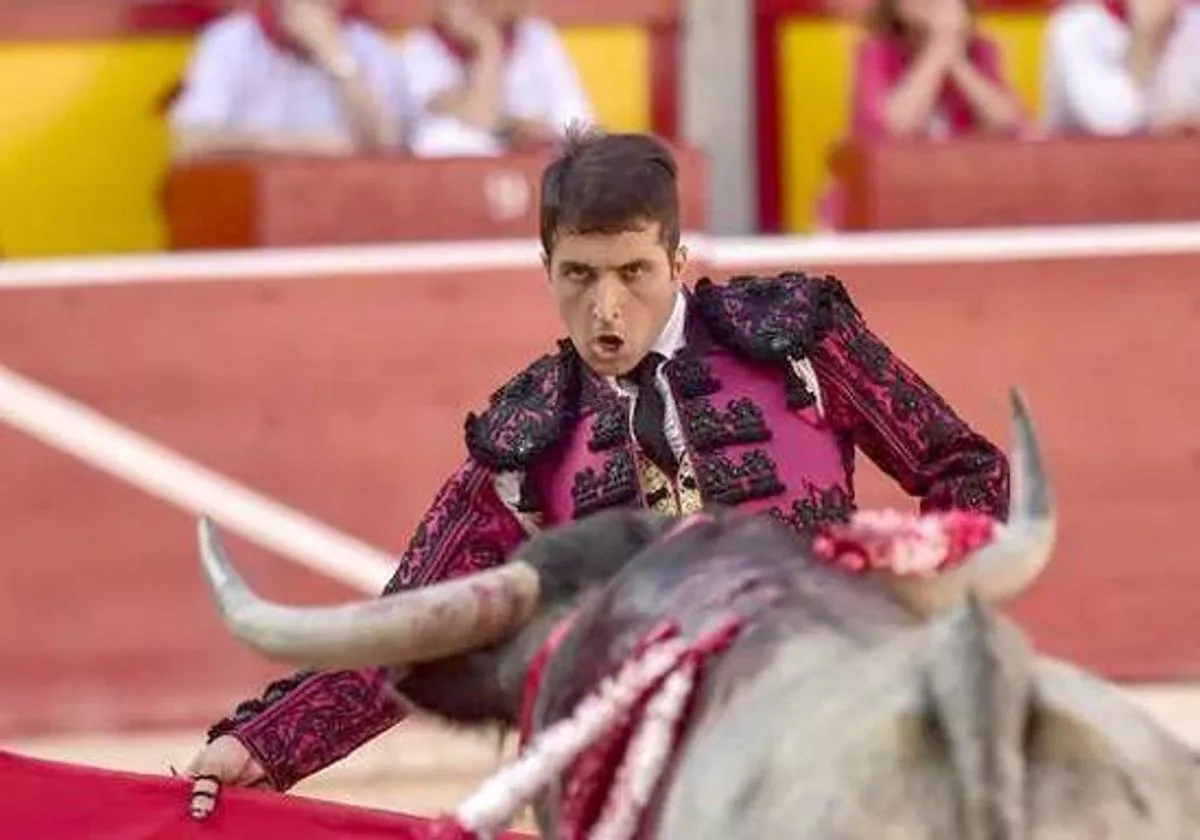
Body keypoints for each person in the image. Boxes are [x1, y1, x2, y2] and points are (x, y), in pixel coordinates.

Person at [184, 127, 1010, 815]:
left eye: (633, 273)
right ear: (546, 267)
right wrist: (256, 749)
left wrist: (900, 598)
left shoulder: (795, 342)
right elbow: (404, 634)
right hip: (646, 779)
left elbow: (967, 475)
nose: (606, 308)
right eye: (578, 276)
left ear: (677, 260)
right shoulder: (529, 436)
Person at [816, 0, 1026, 228]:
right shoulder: (875, 51)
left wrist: (955, 57)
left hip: (959, 199)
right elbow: (893, 129)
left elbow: (1007, 124)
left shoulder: (982, 50)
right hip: (882, 200)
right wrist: (938, 48)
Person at [167, 0, 410, 161]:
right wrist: (300, 147)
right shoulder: (229, 42)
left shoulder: (367, 45)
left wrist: (337, 59)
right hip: (246, 210)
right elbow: (191, 142)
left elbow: (388, 147)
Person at [395, 0, 593, 158]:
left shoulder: (538, 37)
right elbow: (481, 118)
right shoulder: (421, 48)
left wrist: (529, 130)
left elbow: (580, 127)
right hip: (463, 183)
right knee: (446, 140)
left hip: (538, 170)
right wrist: (488, 44)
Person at [1041, 0, 1200, 136]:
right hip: (1091, 163)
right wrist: (1146, 40)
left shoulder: (1192, 19)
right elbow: (1118, 123)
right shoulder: (1076, 26)